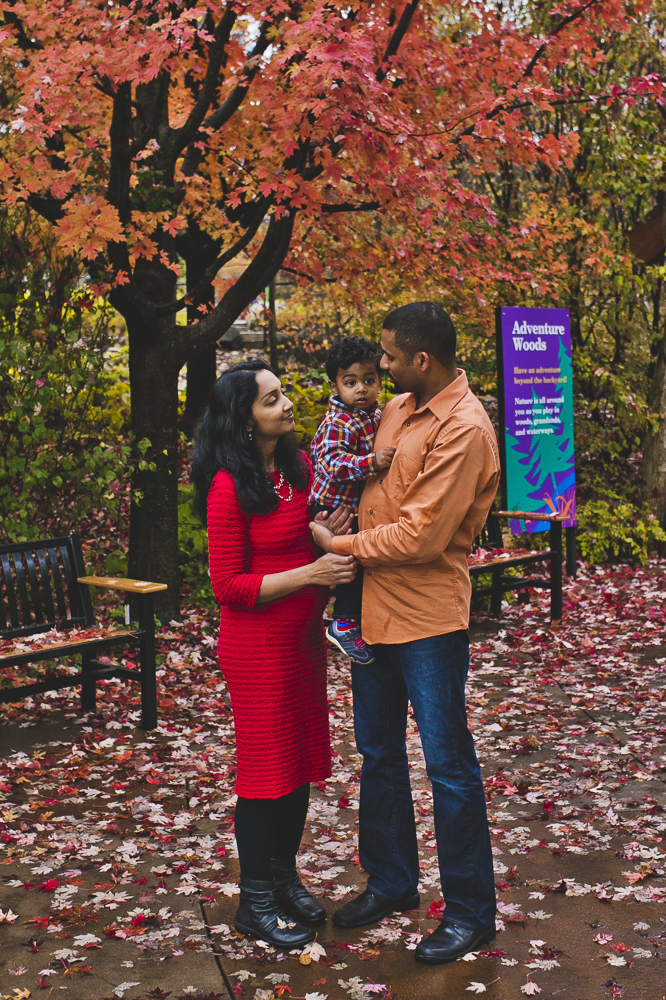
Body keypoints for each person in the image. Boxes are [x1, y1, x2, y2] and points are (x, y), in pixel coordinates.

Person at [310, 302, 500, 965]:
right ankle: (392, 882)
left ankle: (472, 913)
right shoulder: (396, 408)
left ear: (423, 359)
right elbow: (365, 476)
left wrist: (340, 544)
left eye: (389, 356)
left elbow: (422, 536)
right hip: (371, 612)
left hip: (426, 619)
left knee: (447, 766)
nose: (381, 365)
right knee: (379, 753)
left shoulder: (465, 429)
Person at [191, 360, 356, 948]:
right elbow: (228, 586)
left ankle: (285, 880)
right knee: (265, 775)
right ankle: (254, 902)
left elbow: (305, 530)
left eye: (283, 394)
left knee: (299, 766)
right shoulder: (227, 486)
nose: (286, 405)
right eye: (270, 400)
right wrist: (311, 571)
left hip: (303, 642)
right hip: (257, 649)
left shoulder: (298, 466)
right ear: (243, 418)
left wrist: (327, 532)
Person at [310, 337, 395, 665]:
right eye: (351, 382)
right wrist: (373, 461)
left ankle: (355, 617)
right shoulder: (339, 422)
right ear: (334, 386)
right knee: (353, 562)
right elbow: (333, 464)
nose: (361, 389)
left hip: (352, 505)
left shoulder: (371, 414)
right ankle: (342, 622)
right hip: (331, 507)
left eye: (369, 380)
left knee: (364, 560)